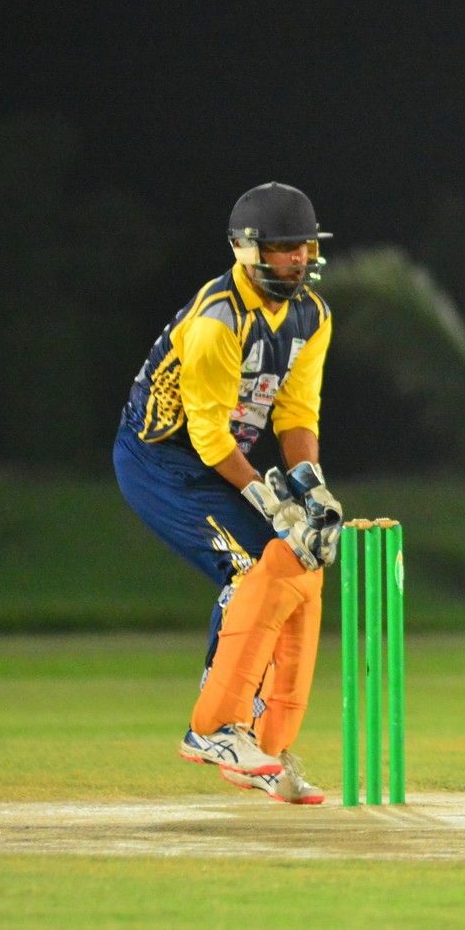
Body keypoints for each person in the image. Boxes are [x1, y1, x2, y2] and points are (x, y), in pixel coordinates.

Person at [114, 181, 343, 804]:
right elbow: (209, 434)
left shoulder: (312, 315)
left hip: (216, 461)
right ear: (246, 249)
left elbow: (296, 413)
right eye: (284, 247)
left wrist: (312, 490)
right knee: (251, 570)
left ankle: (265, 746)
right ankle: (215, 728)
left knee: (298, 566)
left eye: (304, 246)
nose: (298, 258)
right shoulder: (219, 318)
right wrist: (270, 501)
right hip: (160, 460)